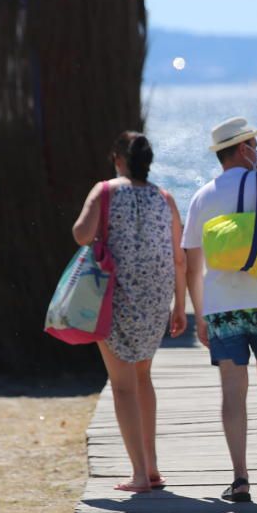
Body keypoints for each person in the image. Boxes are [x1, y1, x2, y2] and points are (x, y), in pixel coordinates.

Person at [182, 117, 257, 502]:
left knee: (232, 392)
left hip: (223, 306)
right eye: (253, 142)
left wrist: (199, 313)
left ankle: (239, 478)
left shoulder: (202, 196)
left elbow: (191, 262)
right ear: (240, 149)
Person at [71, 131, 187, 493]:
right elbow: (180, 257)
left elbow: (80, 234)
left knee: (122, 387)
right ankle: (151, 467)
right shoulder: (164, 198)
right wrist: (180, 305)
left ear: (119, 159)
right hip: (156, 297)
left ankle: (139, 474)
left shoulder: (104, 191)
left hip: (115, 296)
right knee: (142, 378)